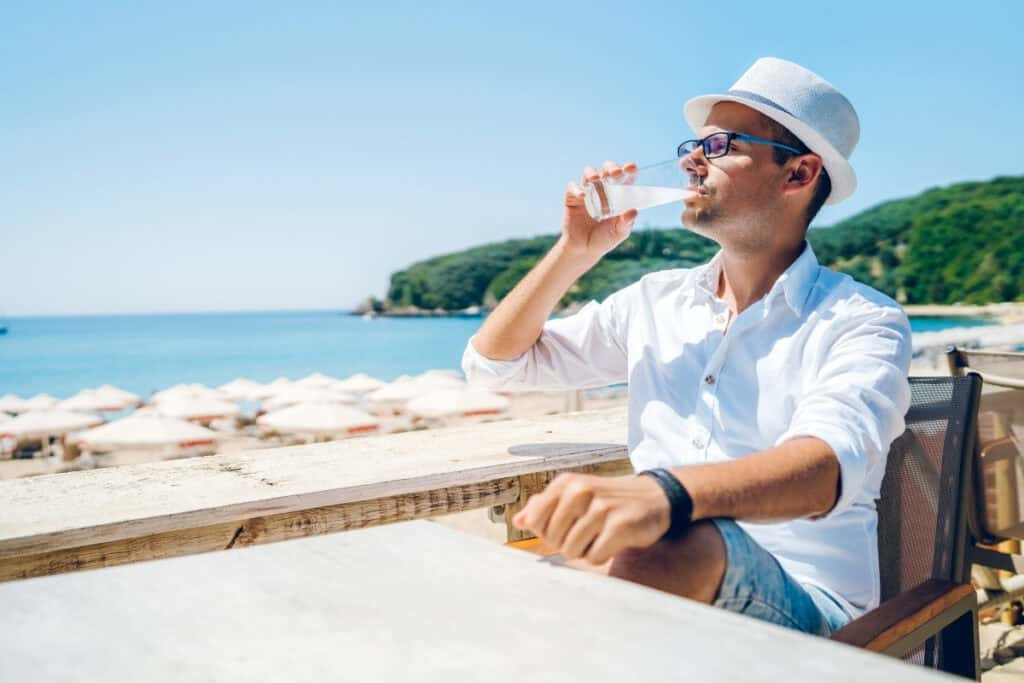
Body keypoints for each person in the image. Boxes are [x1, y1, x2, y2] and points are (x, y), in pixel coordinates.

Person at [461, 57, 911, 636]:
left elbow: (825, 467)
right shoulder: (655, 302)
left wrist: (663, 495)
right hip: (659, 581)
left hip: (808, 610)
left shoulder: (861, 320)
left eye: (720, 144)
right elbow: (495, 365)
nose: (689, 160)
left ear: (799, 174)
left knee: (669, 545)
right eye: (692, 144)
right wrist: (575, 250)